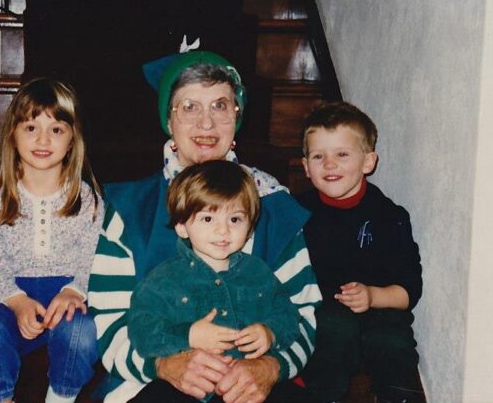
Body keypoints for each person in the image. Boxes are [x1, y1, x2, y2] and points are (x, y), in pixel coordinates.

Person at [87, 50, 321, 403]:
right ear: (169, 120)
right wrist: (164, 365)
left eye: (220, 106)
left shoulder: (274, 206)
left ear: (237, 116)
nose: (206, 124)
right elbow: (108, 321)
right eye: (189, 107)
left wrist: (271, 366)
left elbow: (301, 315)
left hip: (251, 382)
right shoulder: (129, 209)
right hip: (153, 381)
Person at [0, 78, 105, 403]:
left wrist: (74, 291)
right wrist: (17, 301)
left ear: (72, 139)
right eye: (30, 128)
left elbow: (92, 257)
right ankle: (0, 397)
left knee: (84, 333)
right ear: (13, 134)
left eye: (56, 129)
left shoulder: (87, 200)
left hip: (67, 298)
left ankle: (60, 397)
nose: (43, 139)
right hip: (11, 298)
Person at [128, 160, 302, 402]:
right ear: (181, 226)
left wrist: (270, 333)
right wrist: (187, 335)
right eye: (208, 219)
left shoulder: (258, 273)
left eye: (235, 219)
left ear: (250, 226)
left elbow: (288, 315)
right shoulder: (163, 280)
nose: (223, 231)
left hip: (247, 387)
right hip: (188, 388)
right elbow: (141, 330)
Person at [295, 102, 423, 403]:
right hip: (325, 317)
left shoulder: (389, 216)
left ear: (368, 162)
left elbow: (409, 290)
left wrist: (373, 296)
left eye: (342, 154)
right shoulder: (296, 212)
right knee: (332, 327)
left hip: (380, 310)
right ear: (306, 167)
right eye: (318, 156)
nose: (329, 164)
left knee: (392, 341)